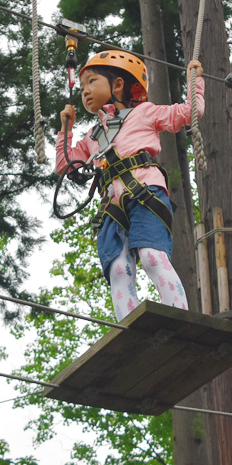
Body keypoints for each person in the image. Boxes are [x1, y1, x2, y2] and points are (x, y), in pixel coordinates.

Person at [56, 50, 204, 321]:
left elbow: (187, 113)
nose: (85, 91)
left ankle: (180, 318)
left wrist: (195, 82)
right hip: (111, 204)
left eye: (92, 81)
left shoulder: (144, 113)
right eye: (83, 84)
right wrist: (66, 129)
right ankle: (132, 326)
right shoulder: (93, 136)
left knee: (151, 256)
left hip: (145, 191)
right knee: (118, 269)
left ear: (118, 85)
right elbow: (65, 165)